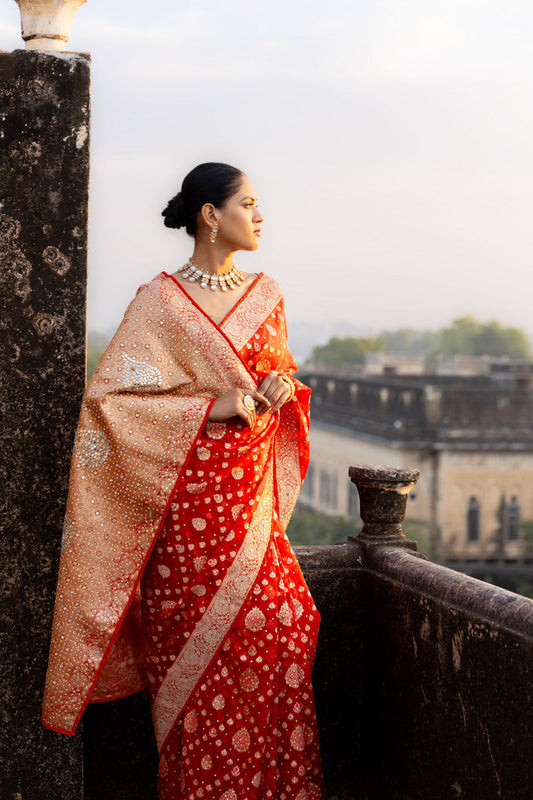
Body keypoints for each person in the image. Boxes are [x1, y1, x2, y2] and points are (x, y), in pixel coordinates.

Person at [42, 162, 324, 800]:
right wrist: (212, 406)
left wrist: (281, 392)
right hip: (185, 527)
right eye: (248, 203)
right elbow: (110, 404)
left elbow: (281, 386)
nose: (259, 216)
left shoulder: (268, 296)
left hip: (248, 515)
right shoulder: (160, 303)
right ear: (210, 215)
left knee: (290, 619)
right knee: (195, 676)